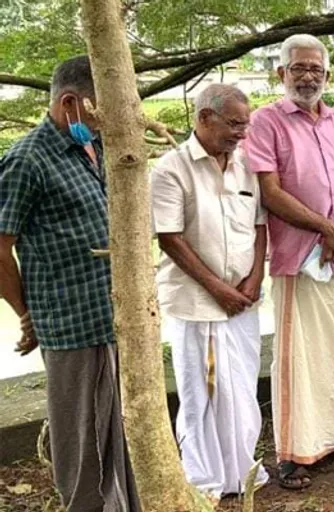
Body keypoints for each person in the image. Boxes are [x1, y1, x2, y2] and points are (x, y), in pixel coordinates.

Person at [0, 56, 140, 511]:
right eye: (99, 110)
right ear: (71, 102)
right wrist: (27, 314)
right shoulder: (27, 161)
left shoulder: (90, 148)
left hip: (110, 317)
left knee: (118, 441)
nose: (105, 121)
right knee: (83, 448)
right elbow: (0, 248)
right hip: (71, 324)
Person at [243, 34, 334, 490]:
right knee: (295, 359)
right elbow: (271, 191)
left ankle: (327, 438)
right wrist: (326, 228)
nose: (307, 77)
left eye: (316, 70)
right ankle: (291, 453)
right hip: (297, 259)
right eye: (299, 68)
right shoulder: (265, 122)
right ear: (281, 73)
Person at [150, 84, 269, 498]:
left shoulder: (246, 167)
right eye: (234, 123)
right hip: (197, 303)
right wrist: (218, 288)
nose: (242, 132)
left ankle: (242, 472)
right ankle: (204, 481)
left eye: (246, 124)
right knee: (200, 394)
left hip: (243, 302)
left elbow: (259, 225)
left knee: (241, 389)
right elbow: (170, 239)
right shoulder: (170, 169)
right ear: (204, 118)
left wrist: (254, 279)